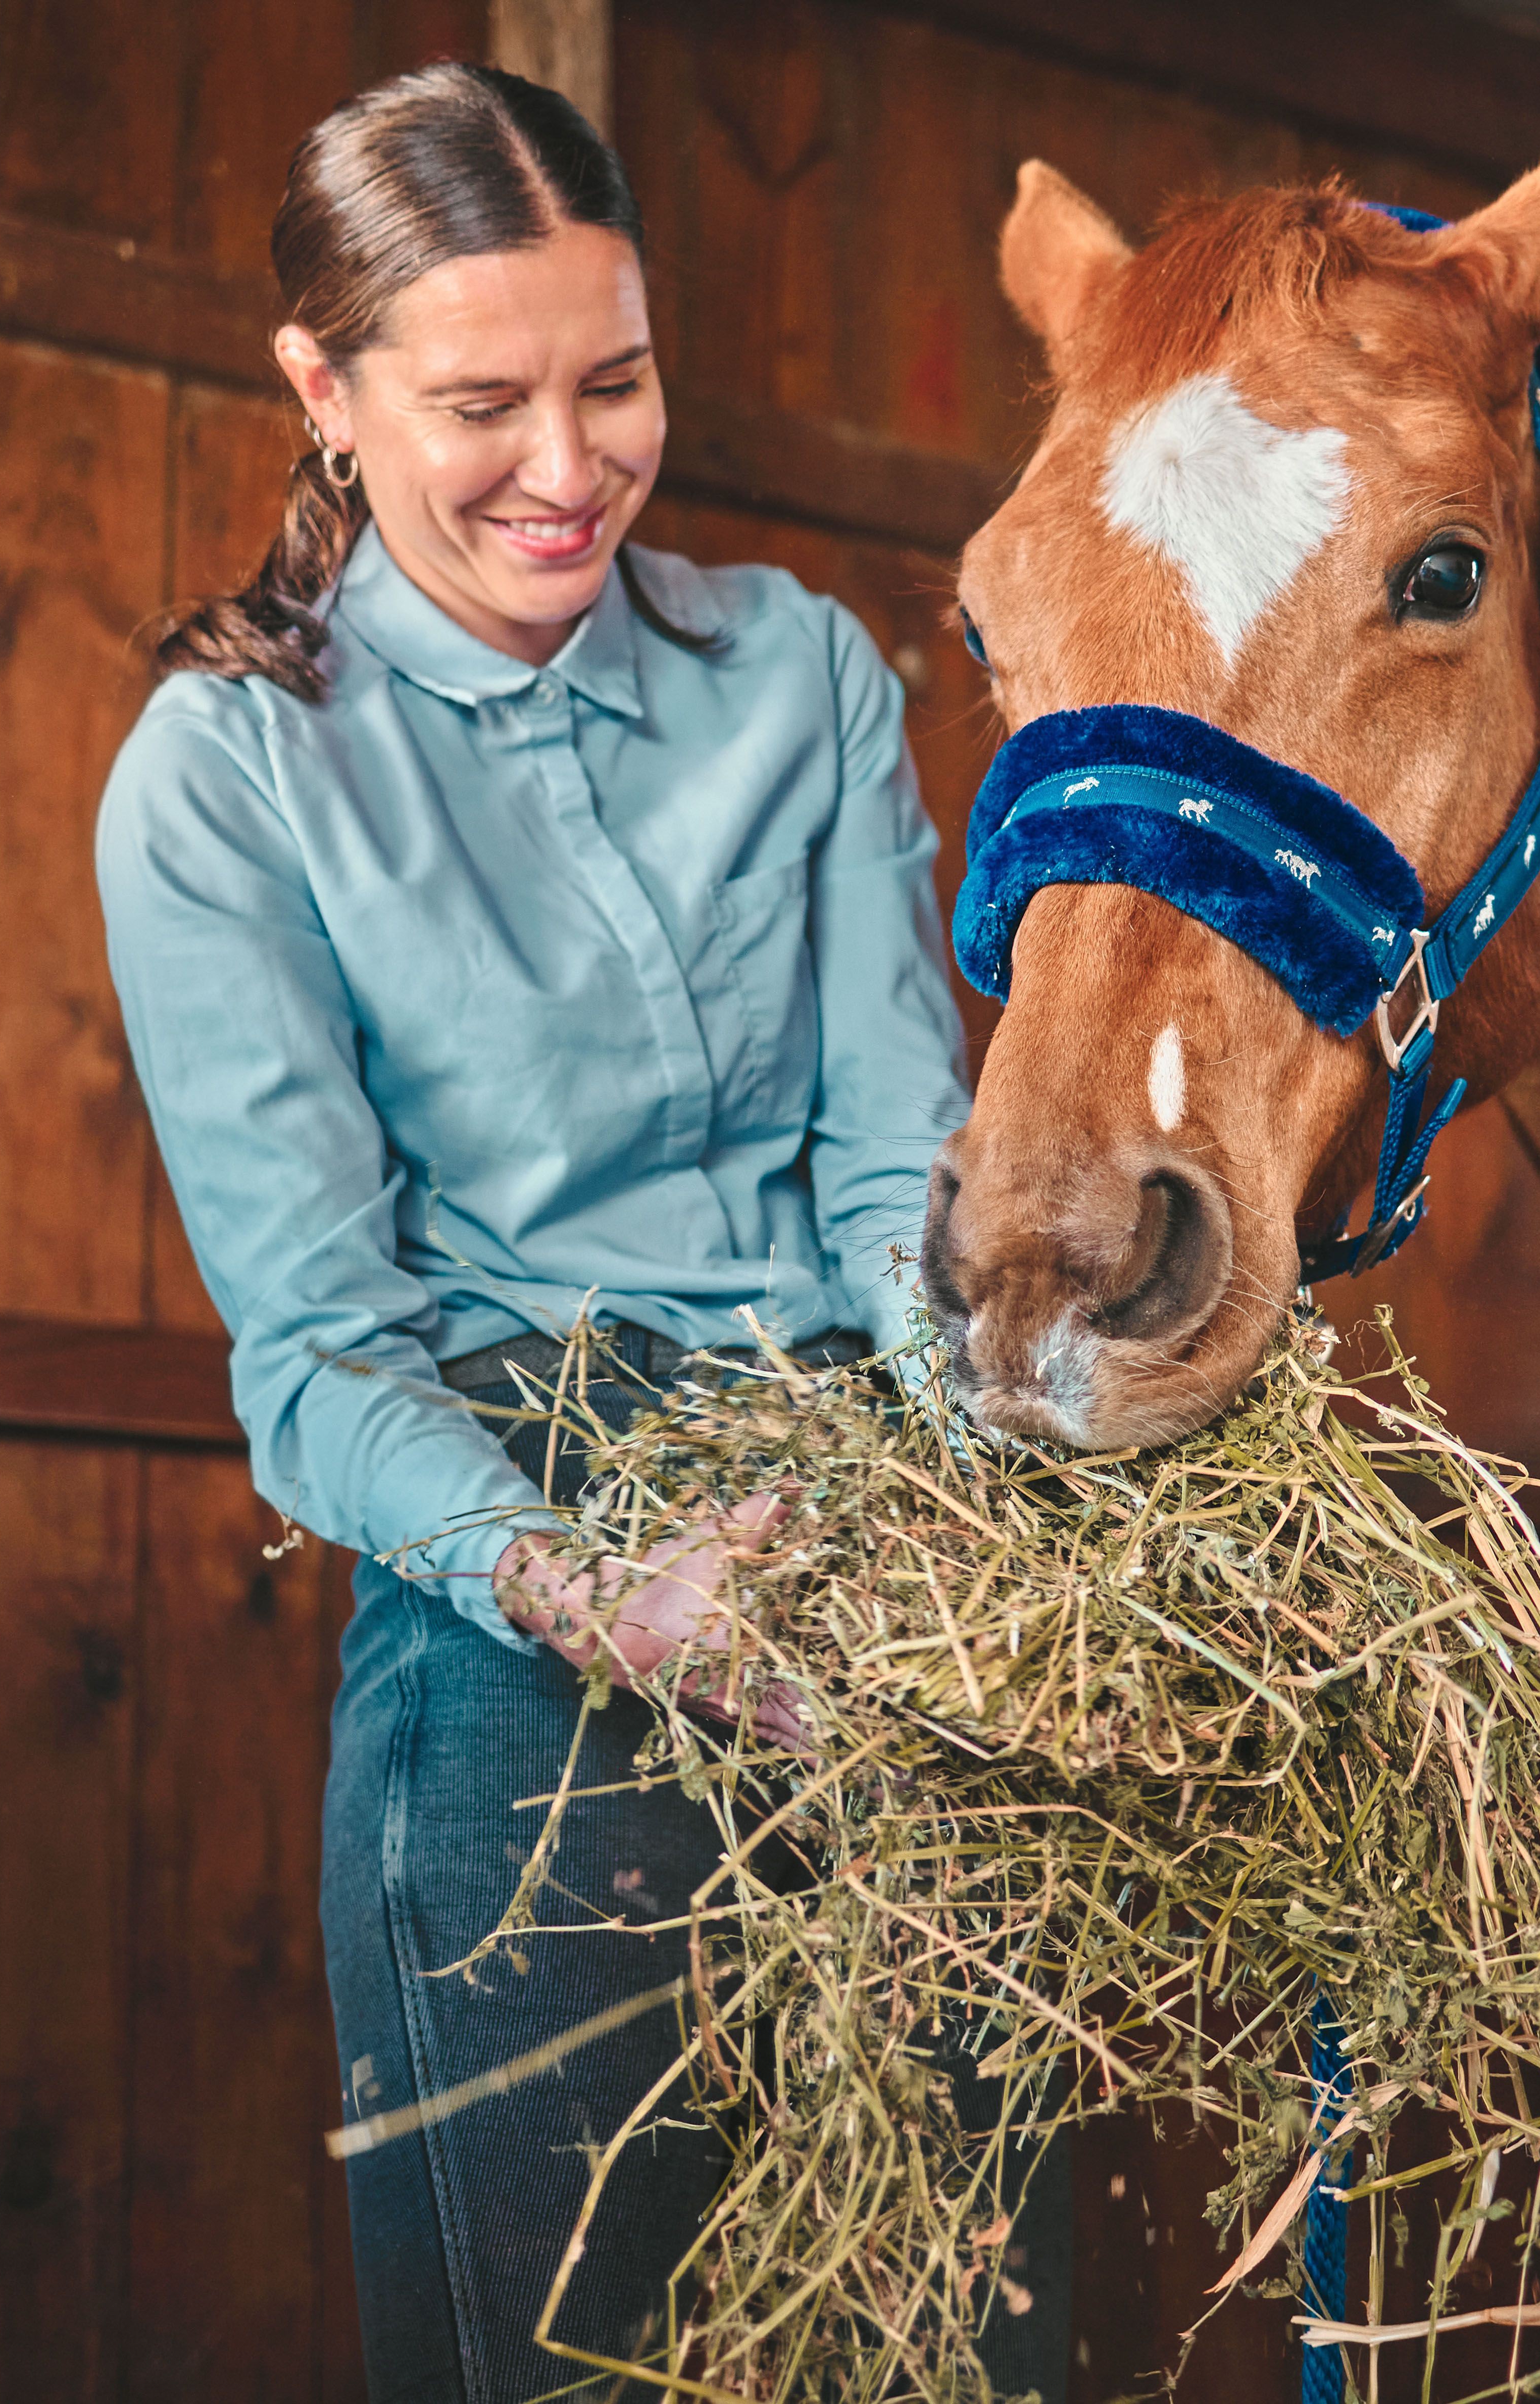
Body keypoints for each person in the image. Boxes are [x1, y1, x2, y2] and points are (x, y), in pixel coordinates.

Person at [94, 63, 969, 2400]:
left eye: (618, 381)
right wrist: (602, 1591)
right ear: (325, 389)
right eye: (482, 403)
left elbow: (903, 1166)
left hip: (876, 1550)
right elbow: (319, 1355)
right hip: (524, 1587)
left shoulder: (804, 680)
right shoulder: (232, 775)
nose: (568, 470)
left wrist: (984, 1471)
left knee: (971, 2343)